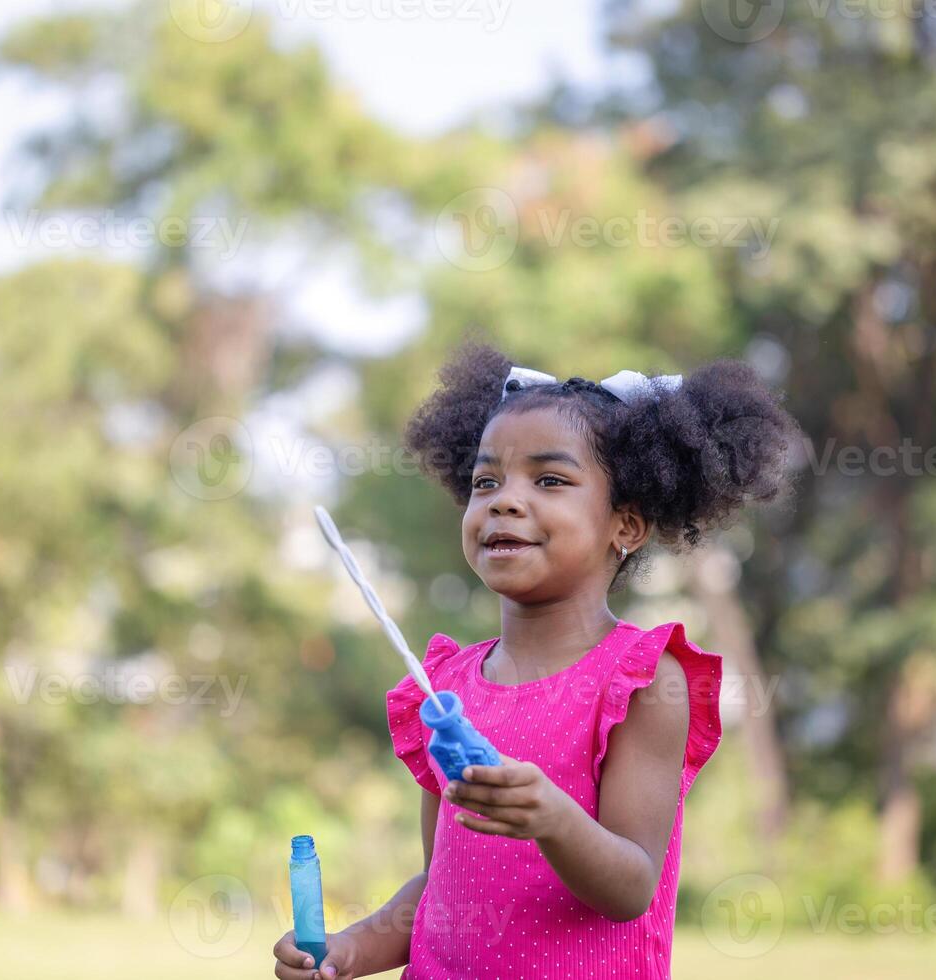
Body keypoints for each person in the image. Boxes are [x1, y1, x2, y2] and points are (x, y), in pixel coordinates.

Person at [274, 340, 800, 979]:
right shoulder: (444, 690)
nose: (504, 499)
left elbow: (631, 885)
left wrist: (554, 820)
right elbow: (440, 884)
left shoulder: (641, 682)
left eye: (549, 480)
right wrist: (351, 947)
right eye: (485, 481)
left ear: (625, 527)